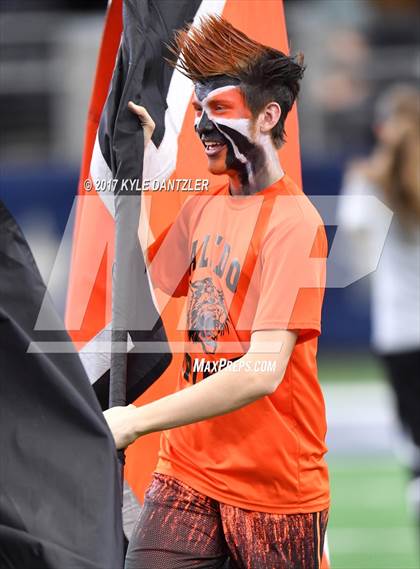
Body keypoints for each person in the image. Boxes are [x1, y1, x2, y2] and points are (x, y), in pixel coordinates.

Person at [105, 15, 329, 568]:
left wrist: (134, 419)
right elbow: (143, 291)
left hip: (275, 492)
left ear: (268, 116)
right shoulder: (203, 205)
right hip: (186, 472)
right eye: (199, 110)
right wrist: (136, 170)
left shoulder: (296, 224)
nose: (203, 125)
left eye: (219, 109)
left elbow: (261, 372)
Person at [338, 85, 420, 521]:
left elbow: (354, 255)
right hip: (403, 333)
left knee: (413, 447)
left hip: (399, 334)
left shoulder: (370, 183)